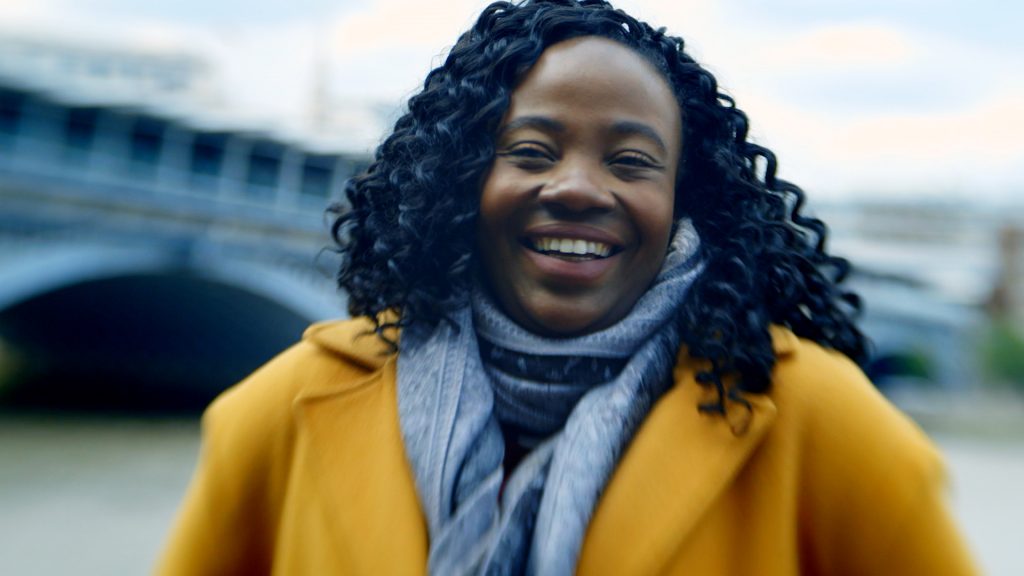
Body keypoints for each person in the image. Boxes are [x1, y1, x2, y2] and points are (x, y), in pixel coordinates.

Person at [157, 1, 977, 574]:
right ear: (460, 182)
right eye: (533, 150)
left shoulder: (825, 428)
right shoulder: (277, 417)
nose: (579, 187)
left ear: (685, 202)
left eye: (630, 161)